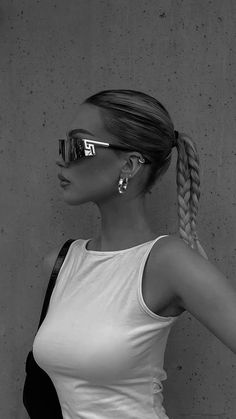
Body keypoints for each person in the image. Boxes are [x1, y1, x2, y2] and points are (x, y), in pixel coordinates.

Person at [32, 89, 236, 419]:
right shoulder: (60, 262)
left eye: (79, 146)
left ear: (128, 165)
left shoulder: (168, 262)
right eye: (64, 145)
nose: (63, 158)